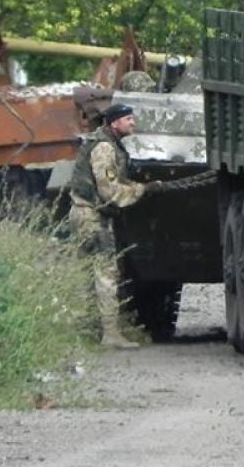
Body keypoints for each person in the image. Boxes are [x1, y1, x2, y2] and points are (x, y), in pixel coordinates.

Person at [68, 103, 164, 348]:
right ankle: (110, 334)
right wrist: (142, 190)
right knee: (106, 273)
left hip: (83, 213)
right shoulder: (104, 148)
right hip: (92, 216)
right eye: (128, 119)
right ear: (114, 123)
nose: (133, 123)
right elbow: (110, 192)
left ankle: (86, 331)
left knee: (87, 273)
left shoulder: (104, 143)